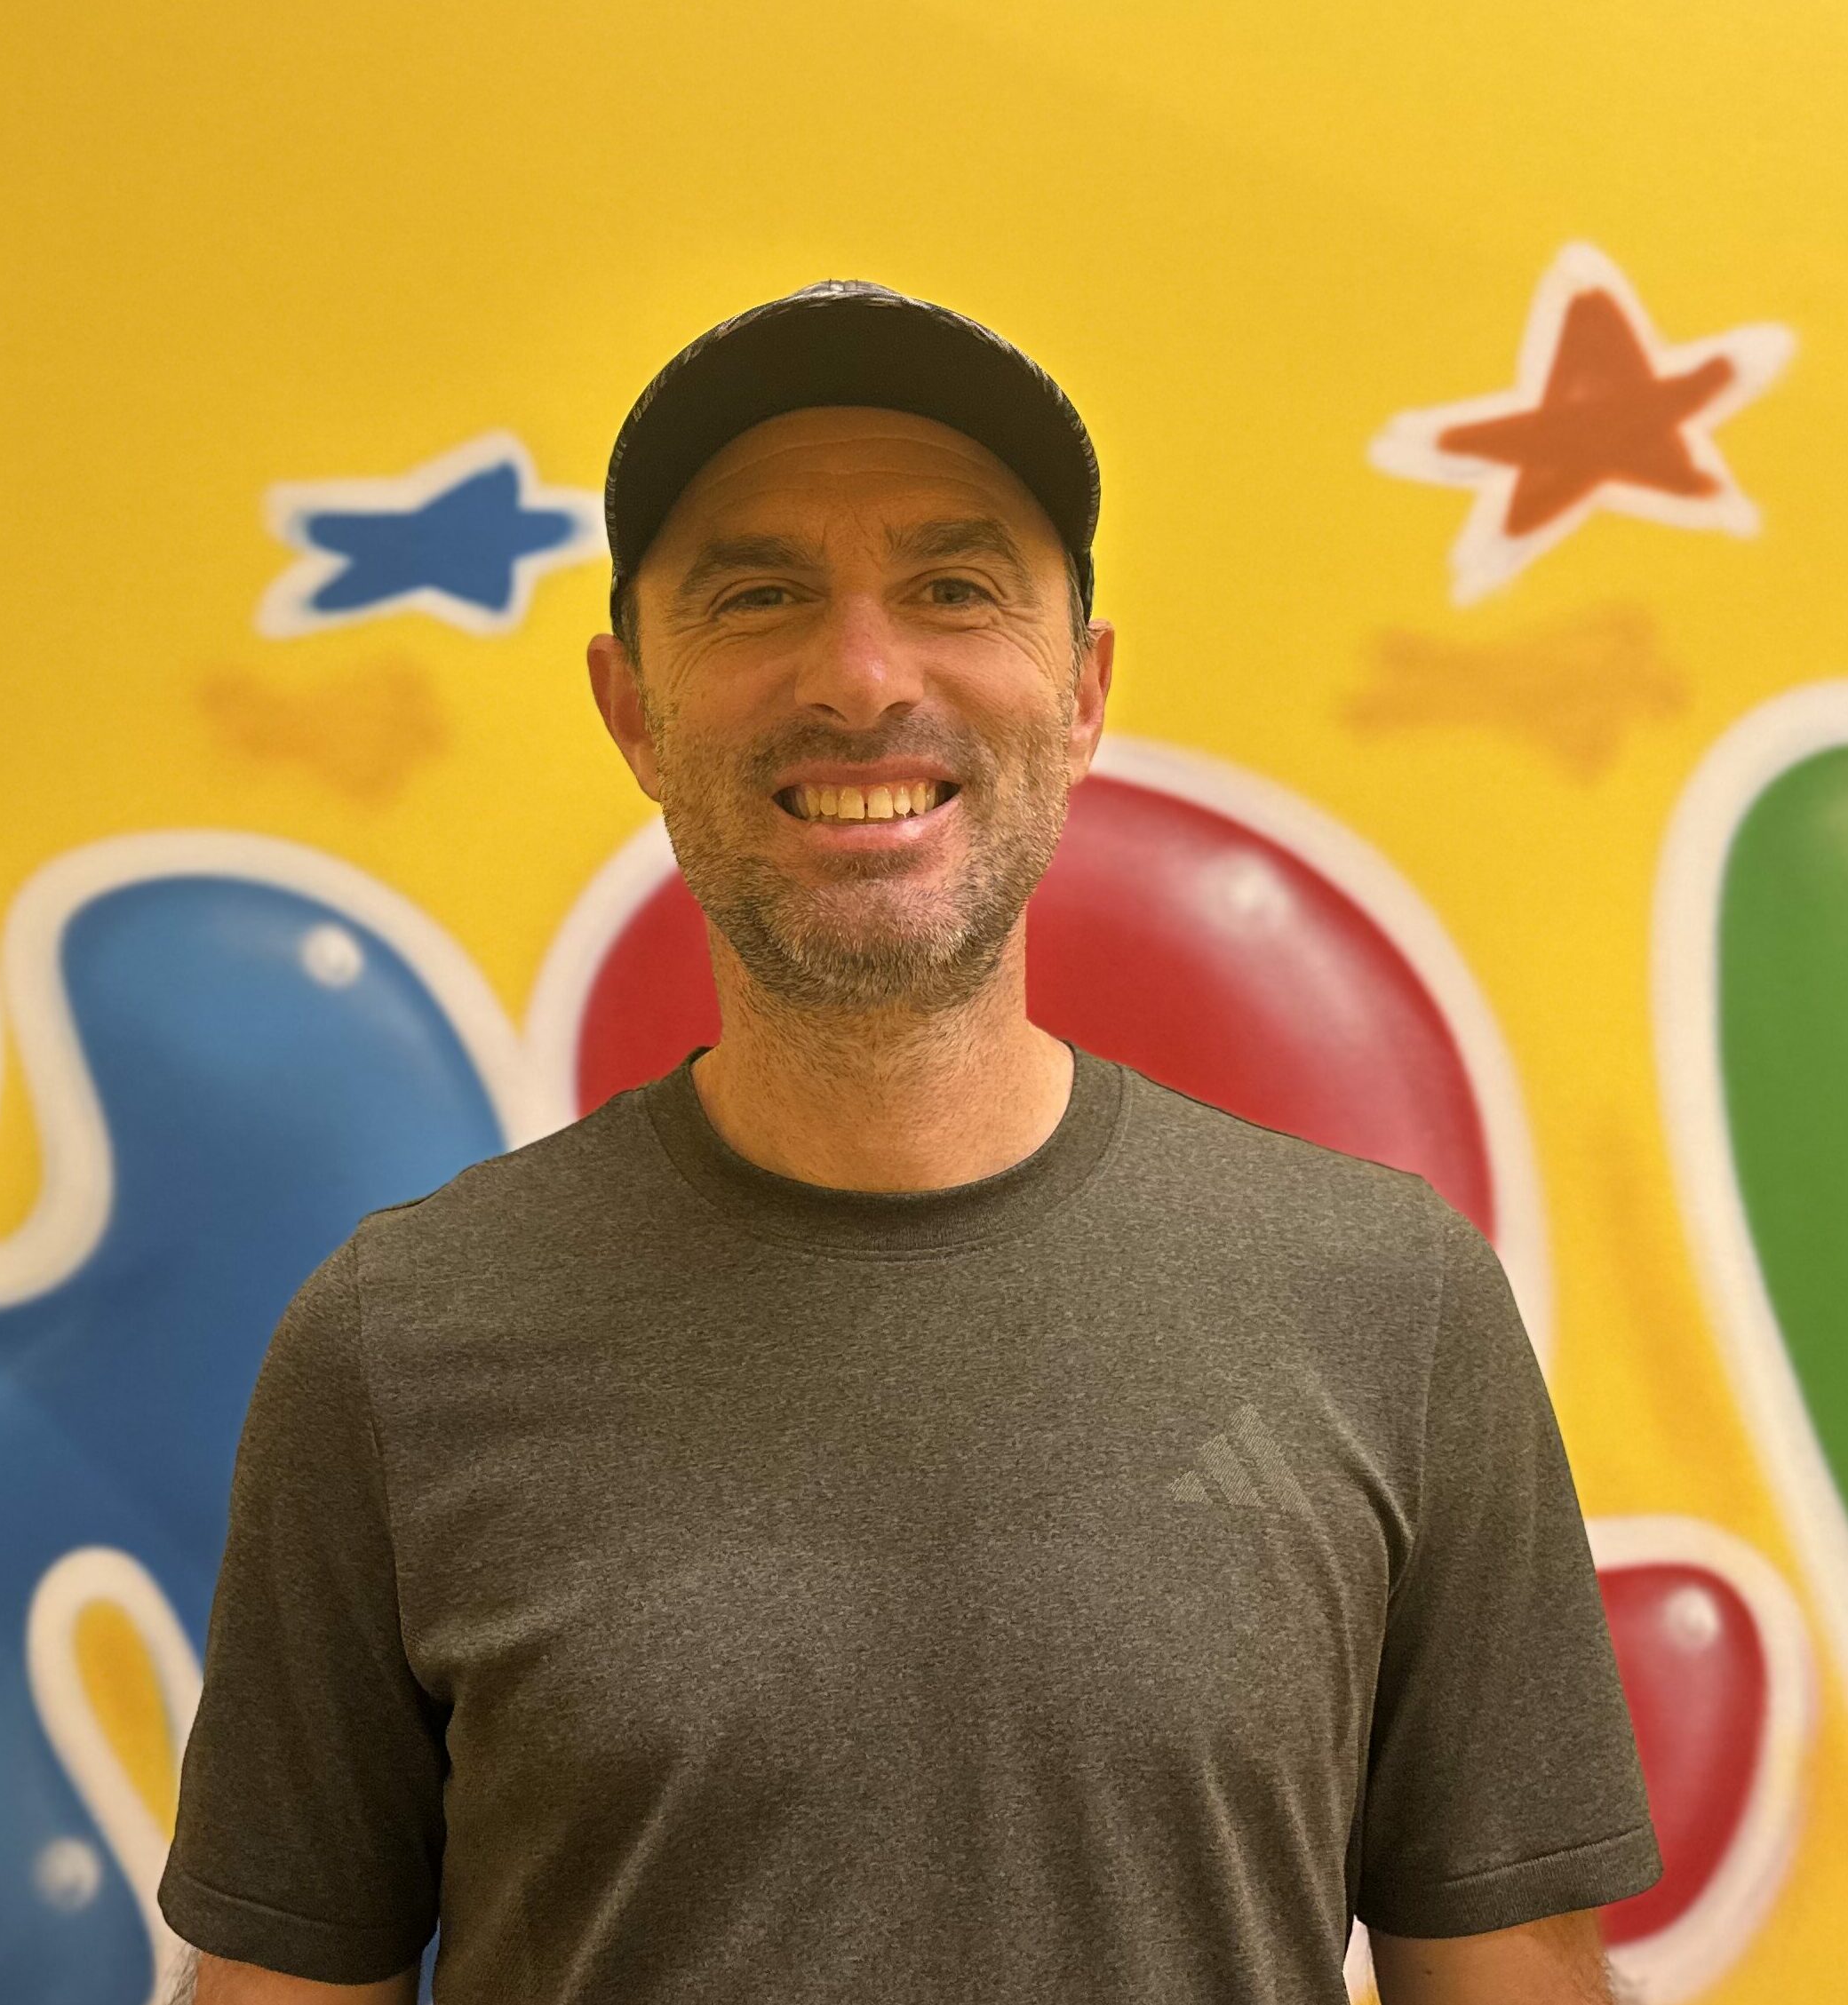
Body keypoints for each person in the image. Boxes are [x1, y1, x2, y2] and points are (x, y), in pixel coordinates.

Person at [157, 280, 1661, 2004]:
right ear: (632, 709)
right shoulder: (397, 1345)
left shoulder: (1390, 1306)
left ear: (1081, 693)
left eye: (953, 588)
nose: (861, 677)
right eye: (757, 596)